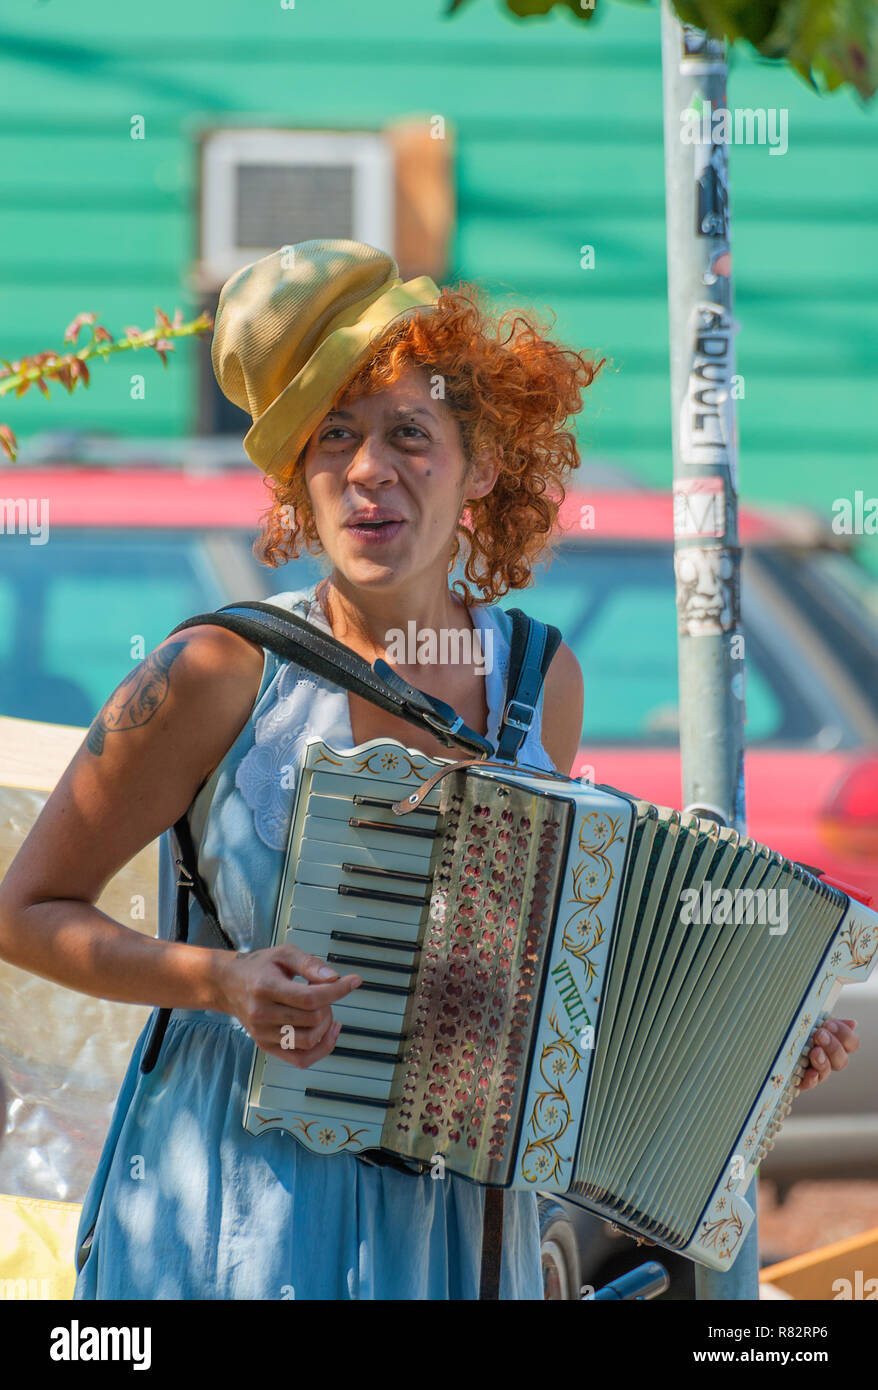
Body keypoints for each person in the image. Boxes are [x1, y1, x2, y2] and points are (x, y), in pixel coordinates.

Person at [0, 240, 858, 1300]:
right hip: (236, 1204)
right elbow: (26, 909)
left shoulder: (540, 679)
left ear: (479, 466)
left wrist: (749, 1044)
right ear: (297, 480)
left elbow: (549, 986)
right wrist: (218, 981)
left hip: (457, 1223)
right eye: (334, 439)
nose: (369, 470)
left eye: (410, 434)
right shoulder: (216, 671)